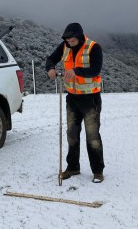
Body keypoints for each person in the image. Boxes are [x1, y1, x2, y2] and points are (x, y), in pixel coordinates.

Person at [45, 23, 105, 183]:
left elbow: (96, 69)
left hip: (90, 98)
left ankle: (98, 171)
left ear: (79, 37)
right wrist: (50, 68)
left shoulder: (94, 47)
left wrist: (77, 71)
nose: (69, 43)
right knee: (72, 134)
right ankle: (72, 168)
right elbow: (51, 58)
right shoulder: (64, 46)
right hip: (72, 98)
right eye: (67, 40)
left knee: (92, 136)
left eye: (72, 40)